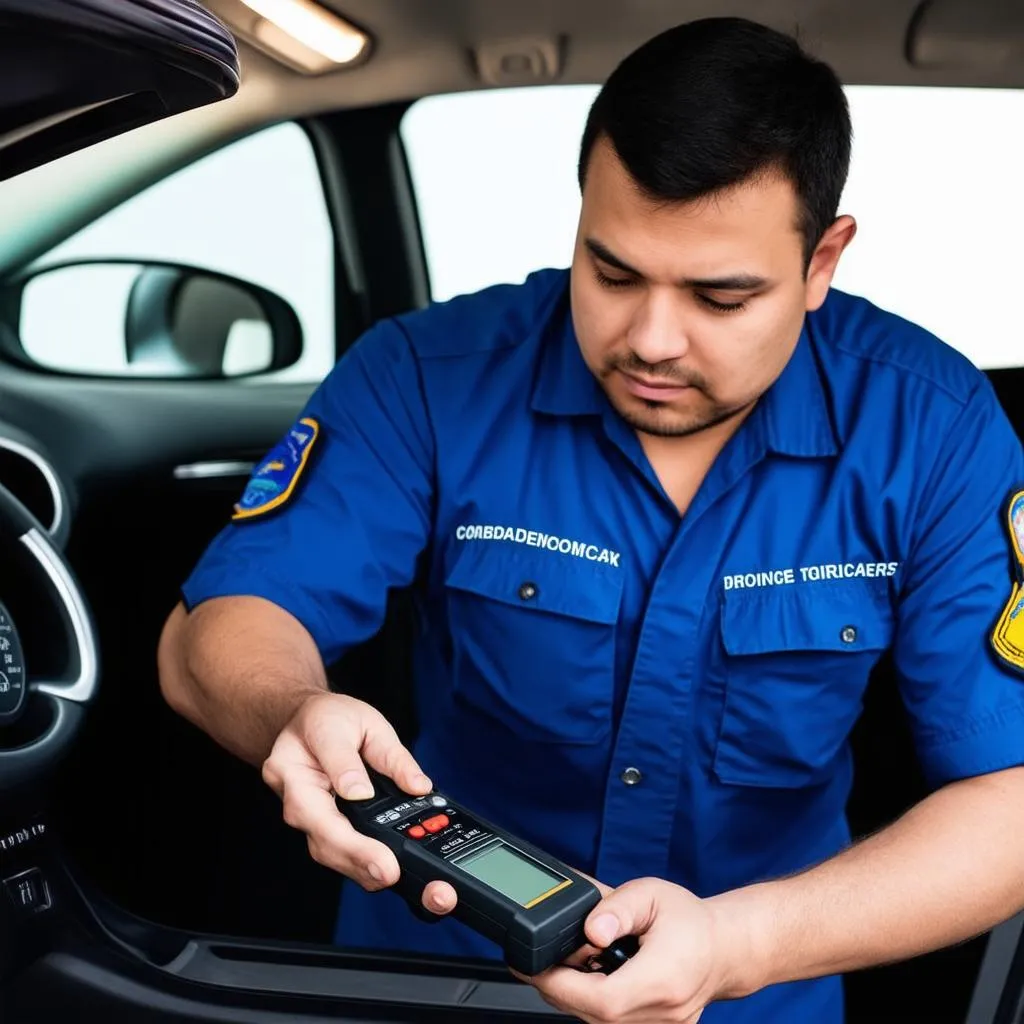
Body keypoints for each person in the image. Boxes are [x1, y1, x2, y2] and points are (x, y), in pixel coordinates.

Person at [157, 15, 1024, 1024]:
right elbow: (214, 628)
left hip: (753, 995)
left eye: (720, 295)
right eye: (611, 273)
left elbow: (1010, 805)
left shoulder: (934, 427)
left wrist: (739, 944)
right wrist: (291, 711)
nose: (652, 338)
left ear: (821, 260)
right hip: (437, 977)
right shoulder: (426, 377)